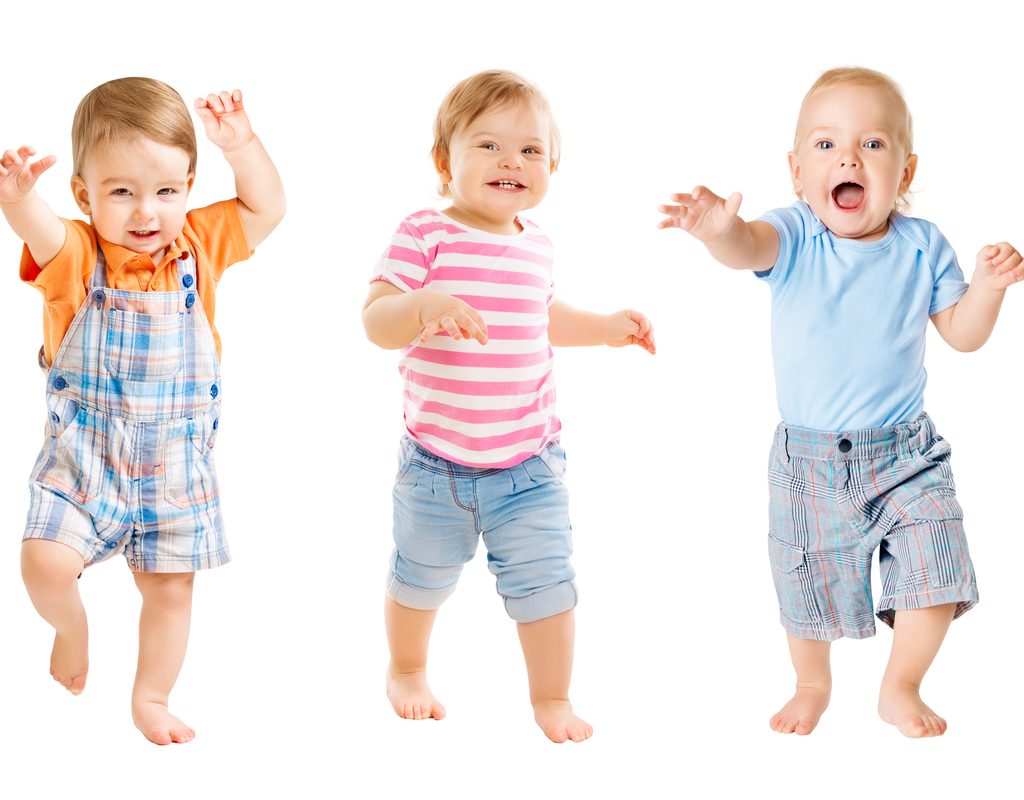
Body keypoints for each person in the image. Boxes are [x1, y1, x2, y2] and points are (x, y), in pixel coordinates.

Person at [660, 66, 1022, 738]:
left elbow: (963, 336)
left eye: (872, 145)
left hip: (907, 453)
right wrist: (718, 232)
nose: (849, 157)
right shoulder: (795, 235)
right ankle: (811, 682)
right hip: (810, 462)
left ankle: (900, 684)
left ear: (905, 172)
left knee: (936, 561)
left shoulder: (922, 246)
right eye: (826, 146)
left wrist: (989, 289)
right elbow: (748, 249)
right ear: (797, 172)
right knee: (808, 577)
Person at [363, 69, 655, 743]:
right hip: (437, 463)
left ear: (552, 163)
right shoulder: (424, 234)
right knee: (420, 577)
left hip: (528, 463)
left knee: (547, 582)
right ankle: (406, 669)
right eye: (489, 146)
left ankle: (551, 698)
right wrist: (421, 306)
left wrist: (606, 326)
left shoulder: (537, 242)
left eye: (530, 150)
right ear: (446, 161)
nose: (511, 162)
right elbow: (376, 320)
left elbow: (542, 317)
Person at [1, 78, 285, 744]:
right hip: (84, 461)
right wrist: (17, 198)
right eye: (121, 191)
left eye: (166, 191)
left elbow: (268, 208)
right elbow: (37, 228)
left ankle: (151, 696)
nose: (145, 212)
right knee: (42, 562)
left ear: (190, 184)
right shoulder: (75, 255)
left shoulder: (199, 246)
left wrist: (241, 146)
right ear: (84, 195)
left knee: (170, 593)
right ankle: (71, 629)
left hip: (173, 470)